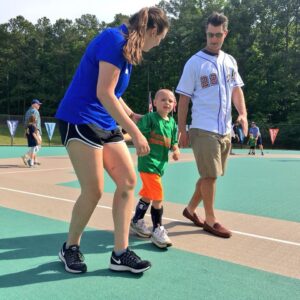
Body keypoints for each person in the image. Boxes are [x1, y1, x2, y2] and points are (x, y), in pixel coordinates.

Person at [55, 7, 169, 274]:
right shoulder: (114, 41)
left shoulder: (127, 47)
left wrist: (132, 115)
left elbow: (114, 92)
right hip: (79, 117)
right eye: (160, 39)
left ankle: (120, 253)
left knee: (128, 182)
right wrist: (136, 133)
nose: (158, 44)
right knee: (93, 189)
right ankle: (69, 247)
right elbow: (104, 93)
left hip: (104, 121)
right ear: (152, 31)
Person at [176, 12, 248, 238]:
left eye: (218, 35)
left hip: (224, 128)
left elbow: (236, 90)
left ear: (225, 33)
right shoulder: (194, 63)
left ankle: (190, 210)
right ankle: (211, 220)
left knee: (211, 175)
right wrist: (182, 129)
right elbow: (184, 99)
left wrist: (243, 114)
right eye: (210, 35)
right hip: (202, 127)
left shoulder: (230, 61)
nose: (214, 39)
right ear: (205, 33)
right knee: (210, 176)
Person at [130, 89, 180, 248]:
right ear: (155, 103)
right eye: (163, 99)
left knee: (148, 195)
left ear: (174, 105)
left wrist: (176, 149)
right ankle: (158, 229)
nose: (167, 103)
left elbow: (173, 141)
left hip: (160, 165)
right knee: (158, 196)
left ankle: (137, 220)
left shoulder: (172, 123)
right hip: (148, 163)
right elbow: (139, 134)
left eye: (170, 101)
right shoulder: (150, 118)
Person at [22, 99, 43, 166]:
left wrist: (26, 130)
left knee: (34, 146)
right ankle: (26, 156)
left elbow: (25, 122)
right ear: (34, 104)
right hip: (35, 130)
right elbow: (35, 122)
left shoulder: (27, 111)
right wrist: (36, 132)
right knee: (38, 146)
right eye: (38, 104)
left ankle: (34, 160)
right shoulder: (35, 111)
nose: (39, 105)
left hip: (29, 130)